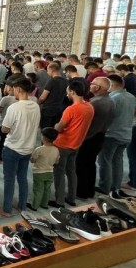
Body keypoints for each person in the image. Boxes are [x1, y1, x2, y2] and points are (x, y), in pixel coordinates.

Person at [0, 78, 40, 217]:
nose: (12, 91)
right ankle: (22, 206)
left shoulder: (14, 107)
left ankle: (7, 210)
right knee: (22, 177)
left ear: (19, 89)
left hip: (13, 148)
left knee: (9, 180)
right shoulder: (35, 105)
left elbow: (4, 129)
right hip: (28, 148)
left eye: (13, 89)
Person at [51, 80, 94, 208]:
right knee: (71, 171)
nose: (67, 94)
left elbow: (59, 128)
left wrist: (55, 125)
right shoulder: (89, 107)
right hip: (76, 144)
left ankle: (59, 201)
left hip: (63, 144)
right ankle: (71, 198)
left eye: (68, 91)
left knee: (59, 173)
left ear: (73, 92)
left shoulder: (71, 109)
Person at [76, 77, 114, 199]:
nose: (90, 85)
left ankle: (81, 192)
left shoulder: (95, 103)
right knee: (90, 164)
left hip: (90, 137)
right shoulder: (110, 100)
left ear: (97, 88)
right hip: (100, 136)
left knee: (81, 165)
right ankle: (89, 190)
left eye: (92, 83)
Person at [97, 75, 136, 194]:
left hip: (112, 134)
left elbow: (108, 117)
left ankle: (104, 187)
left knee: (105, 161)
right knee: (117, 161)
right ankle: (116, 186)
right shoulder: (131, 97)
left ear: (112, 85)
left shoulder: (113, 98)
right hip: (126, 134)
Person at [29, 128, 60, 211]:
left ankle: (34, 206)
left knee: (38, 190)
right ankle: (44, 204)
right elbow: (56, 162)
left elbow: (33, 160)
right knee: (47, 189)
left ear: (44, 138)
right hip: (50, 172)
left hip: (39, 172)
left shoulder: (39, 149)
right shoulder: (56, 149)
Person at [38, 63, 68, 128]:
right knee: (54, 129)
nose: (47, 72)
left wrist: (38, 103)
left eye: (48, 70)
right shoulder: (66, 81)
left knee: (45, 129)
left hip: (48, 110)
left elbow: (43, 97)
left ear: (51, 70)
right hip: (59, 109)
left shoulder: (52, 81)